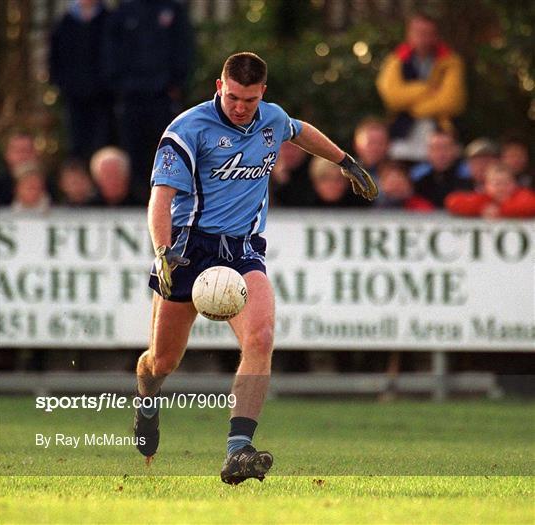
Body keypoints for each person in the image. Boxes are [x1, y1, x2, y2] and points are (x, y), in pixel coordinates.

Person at [134, 52, 377, 485]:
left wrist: (345, 162)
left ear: (262, 92)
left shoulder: (272, 119)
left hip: (243, 250)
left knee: (261, 337)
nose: (241, 106)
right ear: (218, 87)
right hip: (187, 250)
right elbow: (162, 198)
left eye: (249, 98)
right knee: (163, 360)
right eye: (233, 97)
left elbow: (299, 132)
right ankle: (148, 398)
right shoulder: (187, 130)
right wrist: (162, 250)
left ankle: (237, 451)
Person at [103, 0, 195, 204]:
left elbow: (184, 50)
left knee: (167, 152)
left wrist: (175, 84)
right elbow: (110, 53)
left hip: (163, 98)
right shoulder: (122, 12)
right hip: (131, 99)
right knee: (133, 154)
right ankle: (136, 202)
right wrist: (121, 87)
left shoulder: (173, 10)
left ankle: (167, 204)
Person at [376, 12, 466, 162]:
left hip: (440, 134)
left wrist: (413, 106)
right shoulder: (396, 60)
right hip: (403, 136)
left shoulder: (450, 61)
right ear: (409, 34)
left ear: (436, 35)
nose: (423, 38)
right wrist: (427, 90)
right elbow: (392, 97)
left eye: (427, 33)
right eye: (418, 32)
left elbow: (451, 102)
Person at [49, 0, 114, 161]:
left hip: (103, 96)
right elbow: (54, 58)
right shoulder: (64, 22)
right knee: (76, 144)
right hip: (73, 95)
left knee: (102, 142)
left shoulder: (109, 19)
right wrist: (61, 83)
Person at [445, 162, 535, 219]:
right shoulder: (484, 198)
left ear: (514, 184)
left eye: (506, 183)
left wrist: (500, 211)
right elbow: (452, 201)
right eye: (497, 183)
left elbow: (531, 205)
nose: (501, 188)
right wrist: (482, 209)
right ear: (486, 186)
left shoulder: (522, 195)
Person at [411, 130, 471, 208]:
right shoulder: (417, 176)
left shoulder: (468, 175)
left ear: (455, 150)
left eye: (445, 148)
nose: (441, 154)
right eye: (436, 148)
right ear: (428, 151)